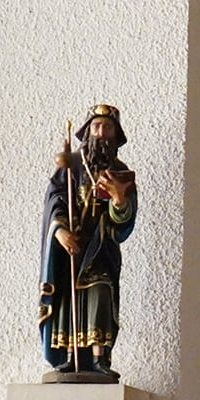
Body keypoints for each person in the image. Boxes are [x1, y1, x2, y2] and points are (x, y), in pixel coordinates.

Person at [39, 105, 138, 379]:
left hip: (101, 247)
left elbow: (124, 223)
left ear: (116, 135)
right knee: (68, 297)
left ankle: (98, 358)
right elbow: (55, 200)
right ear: (87, 132)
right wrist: (60, 231)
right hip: (72, 246)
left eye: (108, 127)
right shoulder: (71, 167)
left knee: (100, 294)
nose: (101, 133)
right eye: (96, 126)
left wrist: (119, 199)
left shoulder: (121, 173)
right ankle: (69, 356)